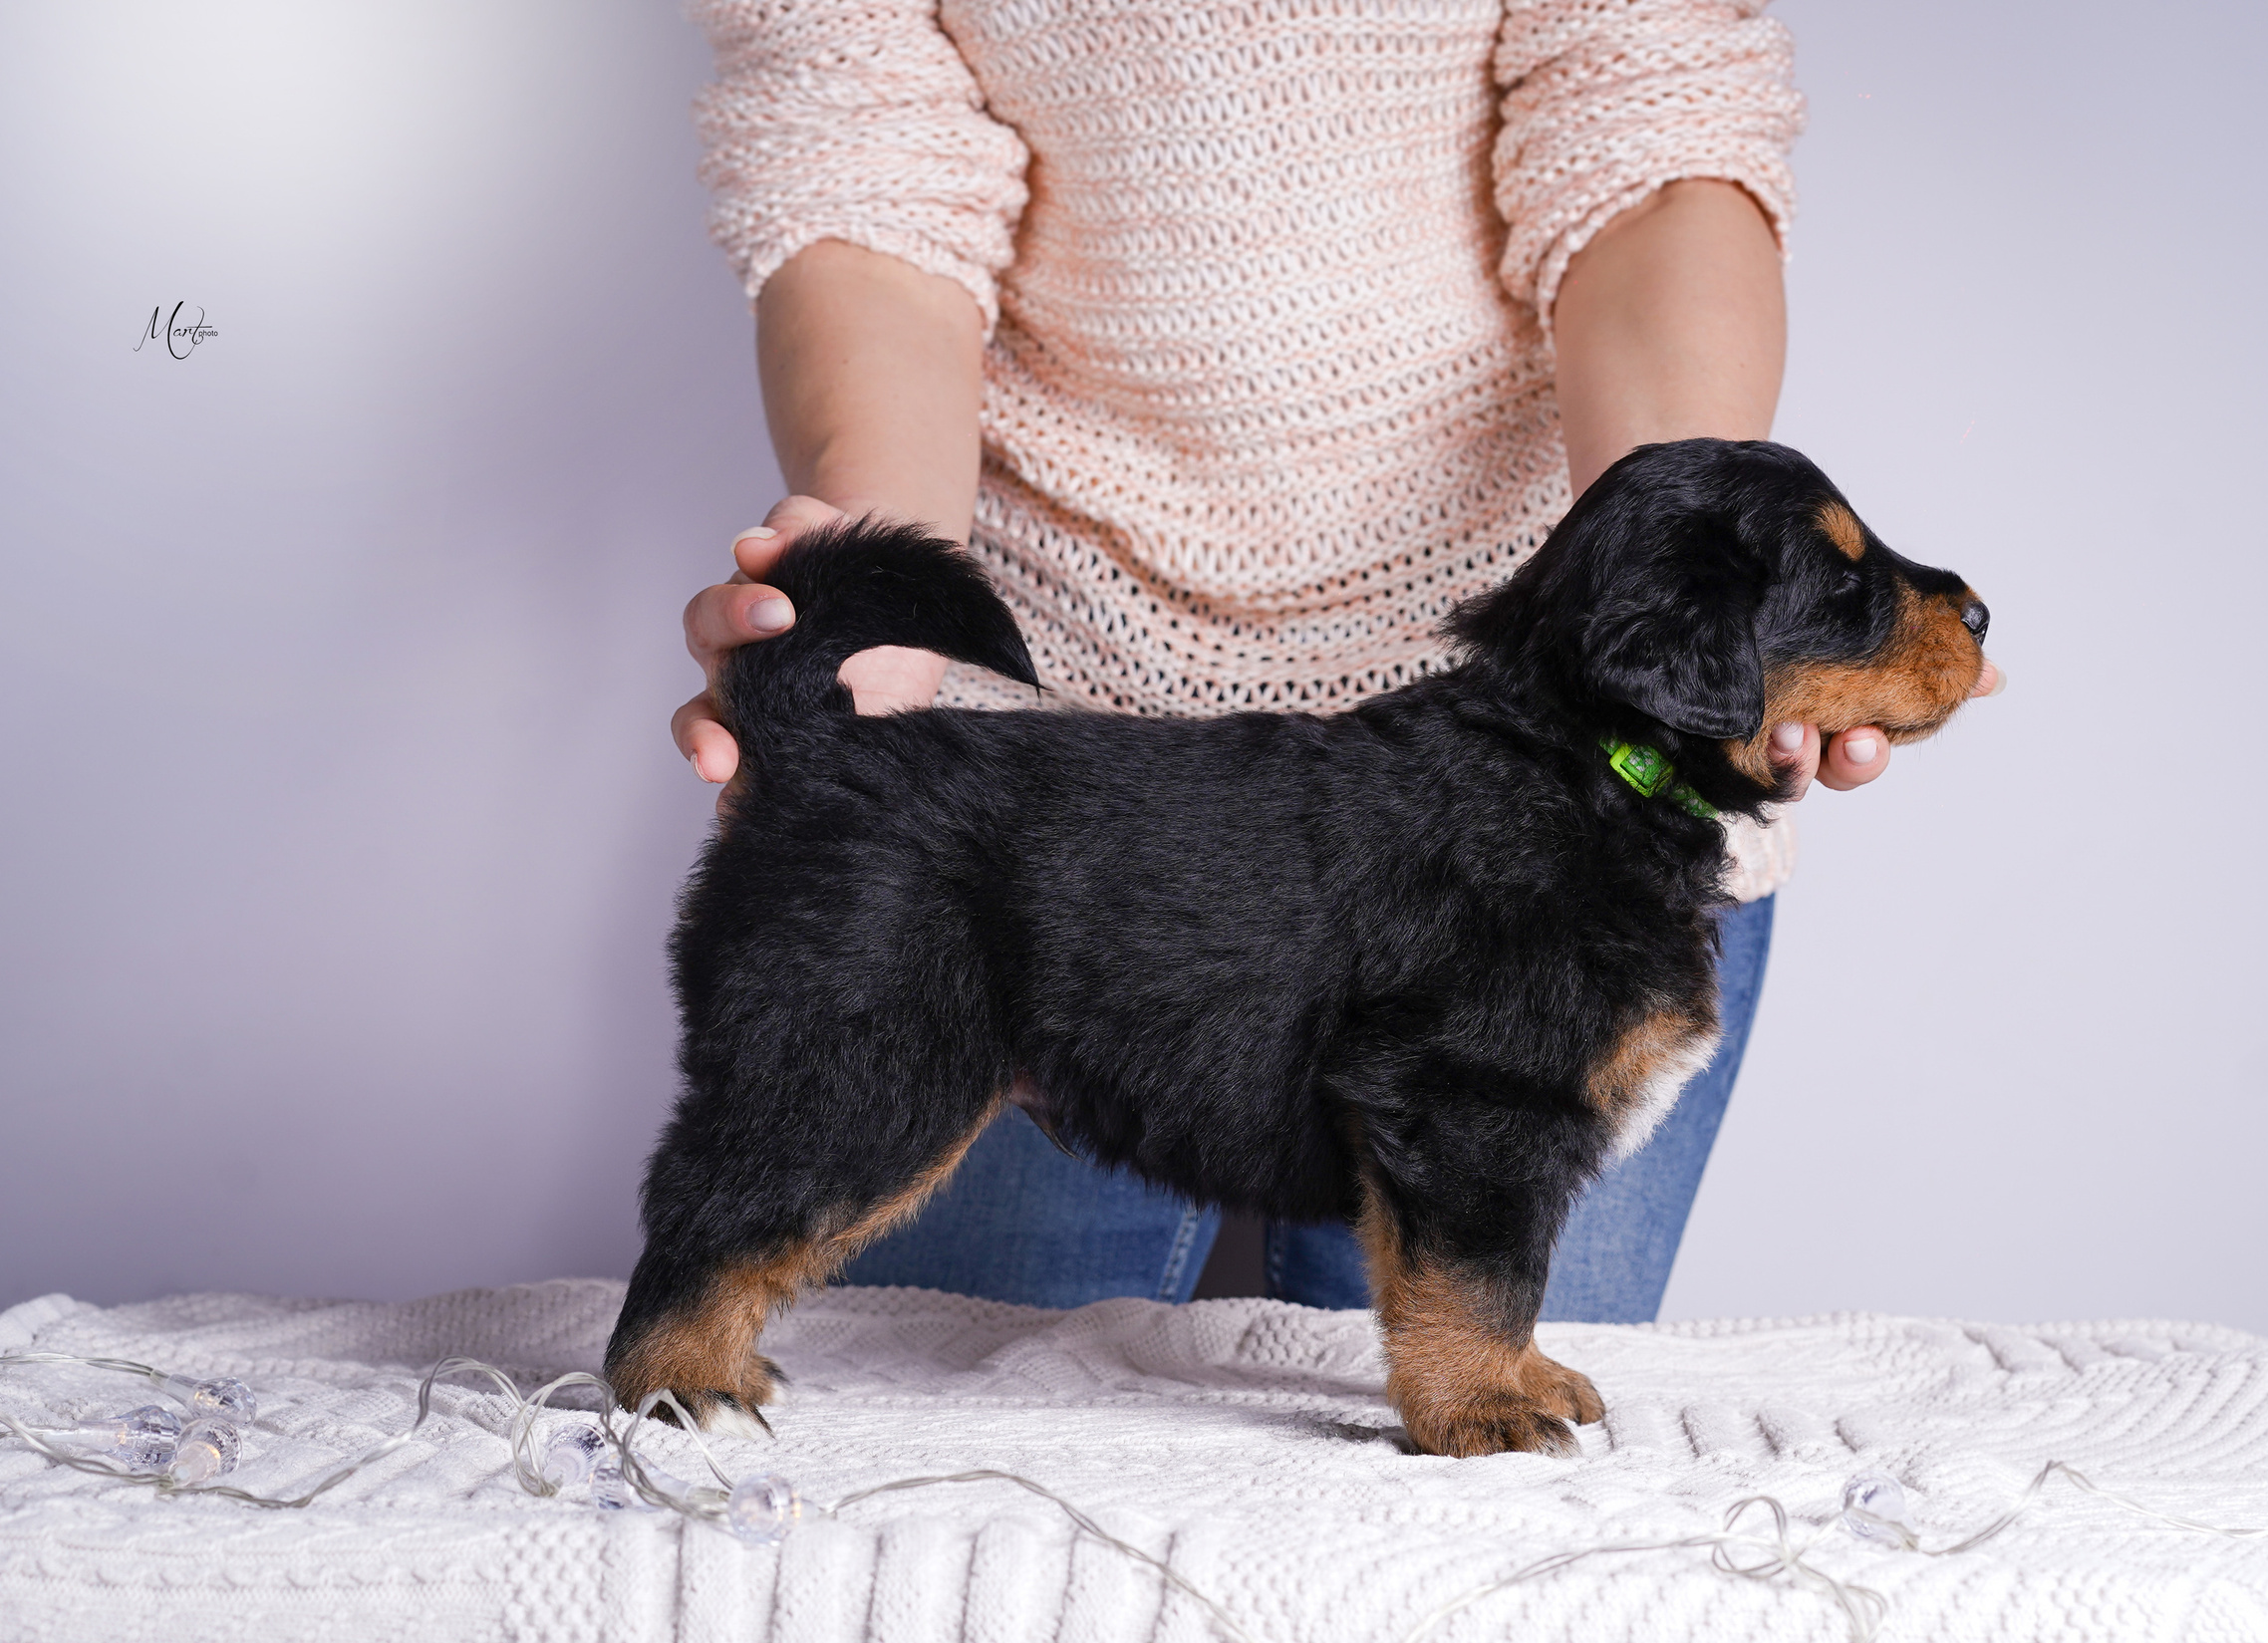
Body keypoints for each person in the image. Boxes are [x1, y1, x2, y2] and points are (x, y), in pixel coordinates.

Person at [668, 0, 1992, 1323]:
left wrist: (1689, 605)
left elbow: (1651, 126)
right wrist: (875, 559)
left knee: (1510, 1468)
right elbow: (866, 171)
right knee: (941, 1442)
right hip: (1041, 797)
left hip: (1577, 776)